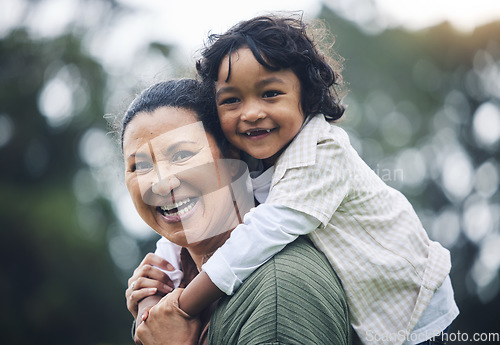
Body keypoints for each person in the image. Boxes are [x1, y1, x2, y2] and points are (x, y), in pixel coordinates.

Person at [158, 14, 458, 345]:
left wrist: (180, 308)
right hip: (347, 298)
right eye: (231, 100)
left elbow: (258, 237)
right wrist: (158, 281)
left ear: (308, 96)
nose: (252, 112)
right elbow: (192, 214)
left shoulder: (321, 152)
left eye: (270, 93)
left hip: (409, 302)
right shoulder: (245, 156)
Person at [122, 78, 352, 345]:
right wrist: (148, 311)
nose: (161, 183)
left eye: (182, 155)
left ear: (233, 157)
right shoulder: (169, 289)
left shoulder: (278, 294)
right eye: (139, 166)